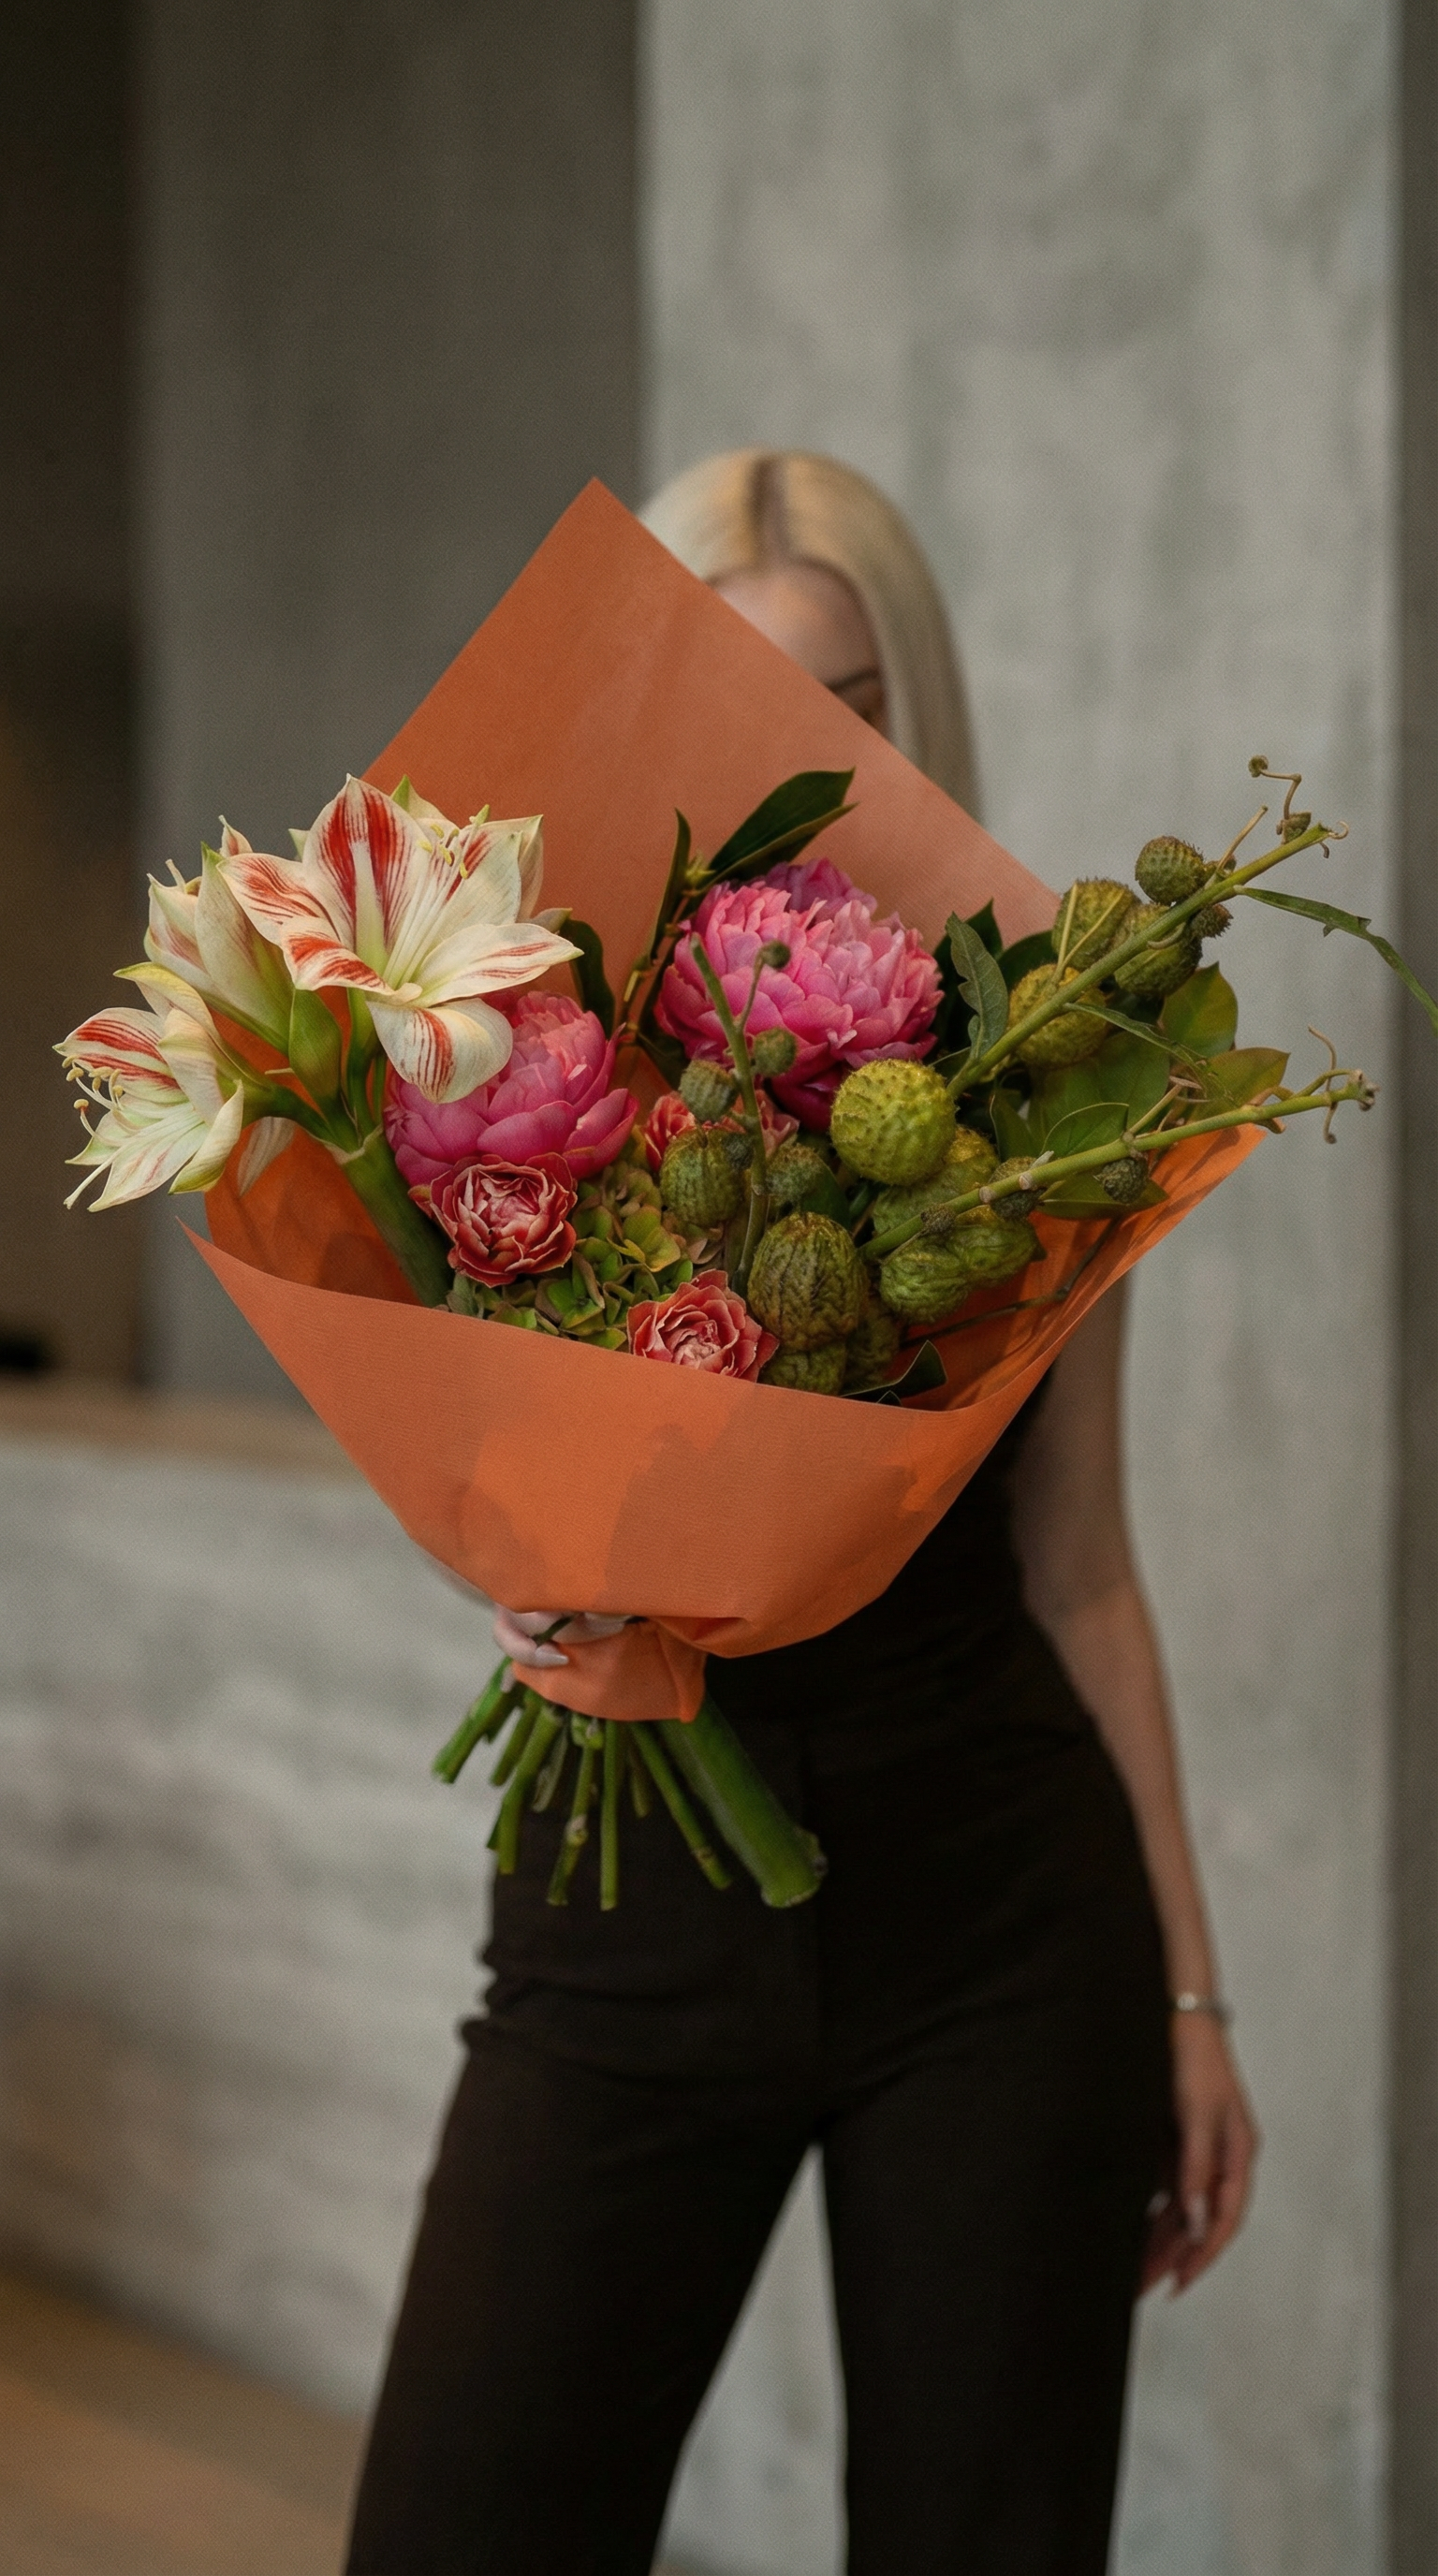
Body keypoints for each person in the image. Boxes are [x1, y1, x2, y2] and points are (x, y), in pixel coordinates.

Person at [345, 449, 1258, 2576]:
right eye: (750, 696)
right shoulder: (531, 1050)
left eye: (852, 695)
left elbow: (1087, 1576)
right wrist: (537, 1582)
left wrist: (1192, 1998)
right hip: (629, 1924)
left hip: (1004, 1931)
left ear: (914, 712)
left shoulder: (1038, 1086)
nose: (811, 754)